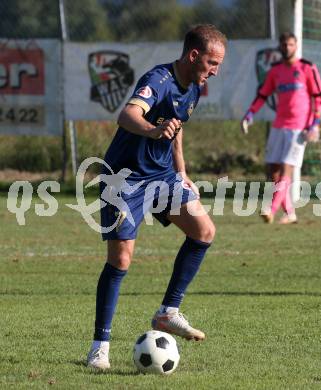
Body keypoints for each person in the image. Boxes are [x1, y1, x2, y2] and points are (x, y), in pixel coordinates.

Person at [87, 24, 227, 370]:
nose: (215, 70)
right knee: (121, 260)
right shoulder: (159, 80)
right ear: (193, 55)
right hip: (126, 178)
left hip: (162, 176)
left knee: (203, 231)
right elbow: (127, 114)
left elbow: (175, 132)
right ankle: (99, 348)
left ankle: (168, 312)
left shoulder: (194, 86)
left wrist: (182, 173)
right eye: (212, 62)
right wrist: (152, 129)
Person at [241, 32, 321, 224]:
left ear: (296, 46)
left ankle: (270, 210)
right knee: (273, 172)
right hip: (279, 125)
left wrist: (314, 123)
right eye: (284, 44)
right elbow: (263, 95)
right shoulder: (275, 71)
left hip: (299, 128)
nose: (287, 48)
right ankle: (290, 213)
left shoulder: (307, 68)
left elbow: (318, 97)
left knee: (287, 170)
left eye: (290, 44)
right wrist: (250, 114)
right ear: (280, 47)